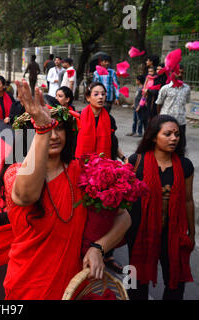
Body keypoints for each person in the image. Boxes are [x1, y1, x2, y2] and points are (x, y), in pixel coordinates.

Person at [0, 79, 131, 299]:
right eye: (47, 129)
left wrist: (99, 247)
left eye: (59, 128)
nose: (54, 136)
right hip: (29, 285)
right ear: (30, 133)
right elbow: (26, 195)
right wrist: (42, 127)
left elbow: (124, 218)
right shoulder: (14, 173)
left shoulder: (84, 172)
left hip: (74, 285)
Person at [126, 115, 194, 300]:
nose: (174, 138)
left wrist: (192, 234)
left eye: (177, 134)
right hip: (139, 232)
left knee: (176, 283)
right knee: (133, 279)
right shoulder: (136, 161)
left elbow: (188, 200)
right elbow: (124, 197)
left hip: (173, 234)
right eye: (168, 134)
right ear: (154, 137)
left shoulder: (185, 166)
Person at [75, 82, 126, 273]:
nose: (100, 97)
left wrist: (122, 158)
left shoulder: (109, 119)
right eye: (96, 94)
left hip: (105, 171)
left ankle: (107, 252)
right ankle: (82, 250)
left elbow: (113, 143)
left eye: (103, 94)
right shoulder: (79, 117)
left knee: (107, 211)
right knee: (85, 213)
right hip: (82, 170)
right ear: (88, 97)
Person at [156, 66, 190, 149]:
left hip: (181, 121)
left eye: (182, 73)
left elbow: (186, 101)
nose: (180, 75)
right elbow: (159, 103)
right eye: (178, 72)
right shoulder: (165, 88)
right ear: (172, 73)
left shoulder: (187, 88)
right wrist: (160, 117)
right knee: (165, 144)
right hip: (166, 121)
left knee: (181, 145)